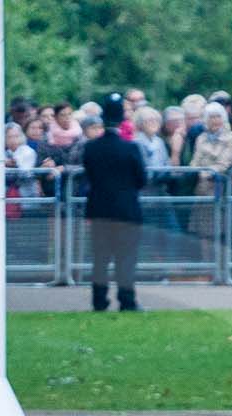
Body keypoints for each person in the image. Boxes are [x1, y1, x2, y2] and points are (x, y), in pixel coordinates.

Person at [81, 95, 147, 312]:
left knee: (100, 258)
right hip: (126, 210)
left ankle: (99, 300)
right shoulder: (131, 148)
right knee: (125, 258)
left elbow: (90, 176)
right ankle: (127, 300)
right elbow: (141, 180)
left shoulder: (91, 148)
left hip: (99, 209)